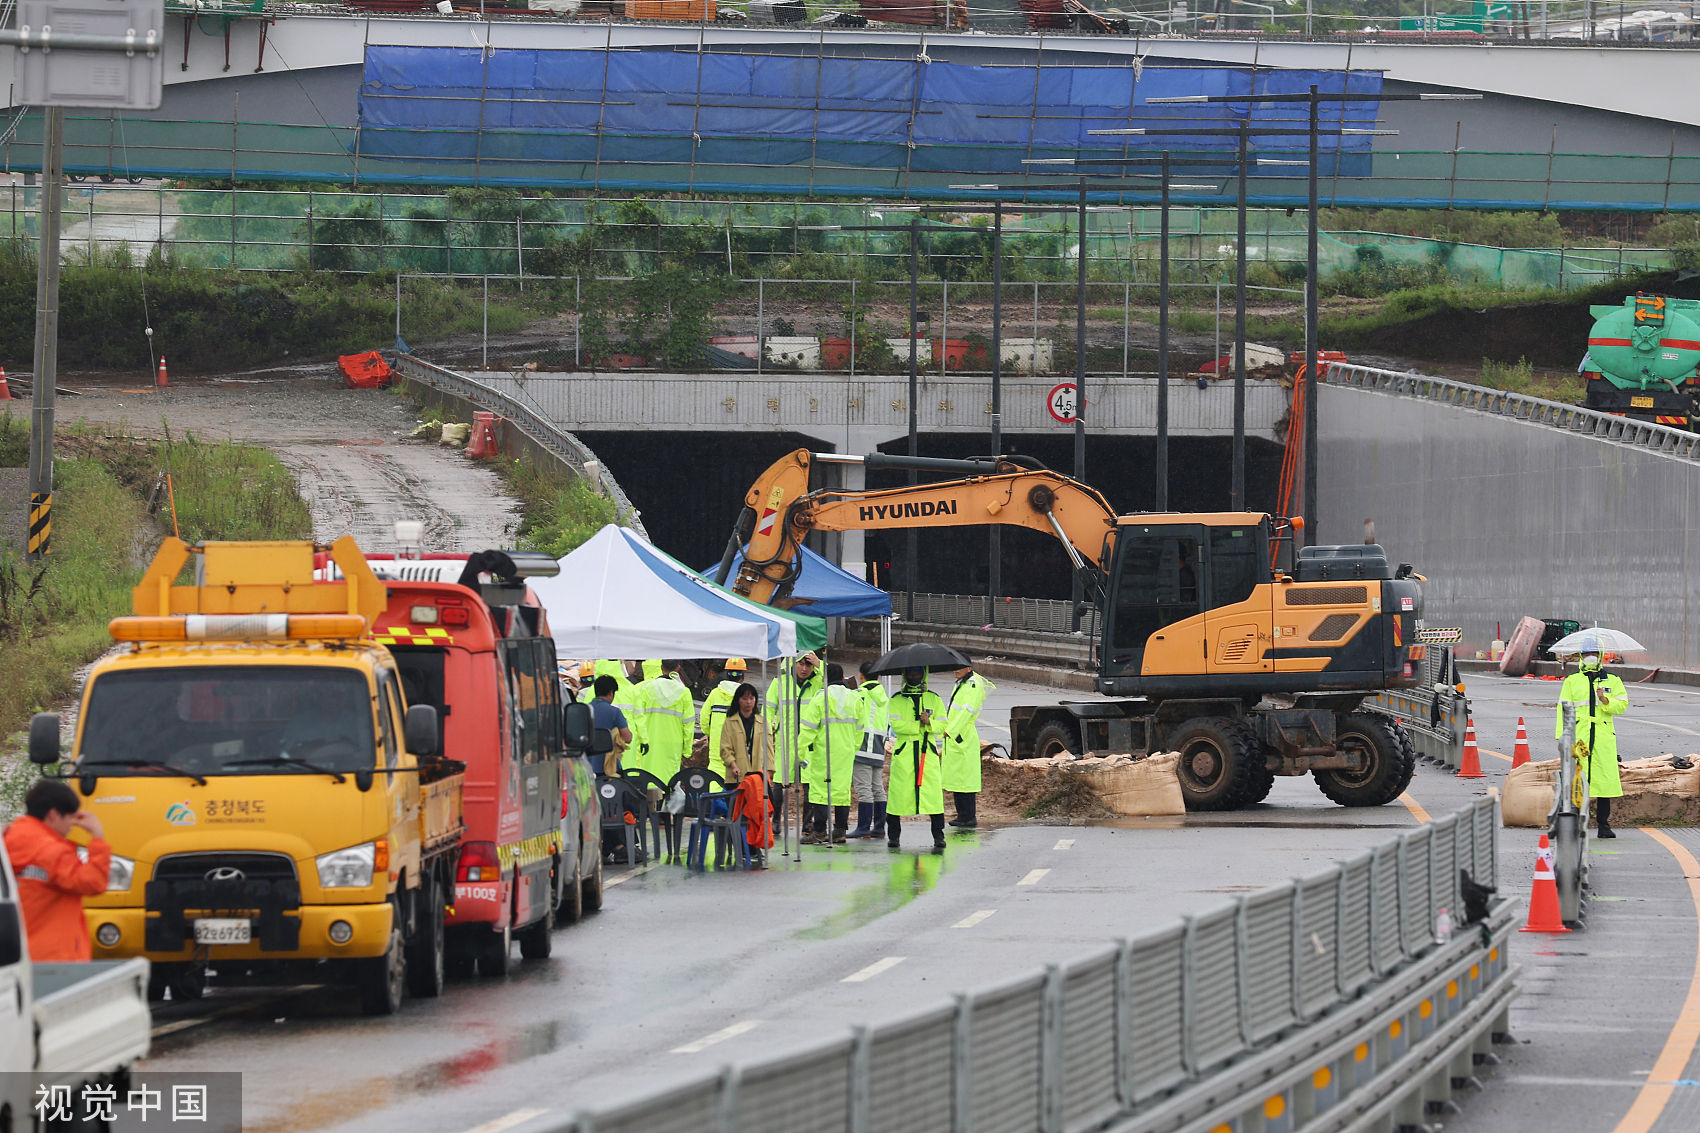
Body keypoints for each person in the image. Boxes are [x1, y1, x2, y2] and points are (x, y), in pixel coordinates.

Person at [4, 780, 110, 961]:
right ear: (53, 815)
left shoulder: (6, 841)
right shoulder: (53, 852)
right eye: (70, 818)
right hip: (53, 960)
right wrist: (98, 840)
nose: (72, 826)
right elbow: (93, 883)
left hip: (13, 957)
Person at [1556, 650, 1627, 838]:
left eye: (1594, 653)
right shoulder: (1572, 680)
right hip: (1581, 738)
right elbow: (1562, 709)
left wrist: (1605, 700)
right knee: (1579, 777)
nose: (1591, 657)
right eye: (1587, 653)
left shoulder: (1612, 680)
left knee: (1604, 781)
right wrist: (1562, 736)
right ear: (1581, 656)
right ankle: (1579, 823)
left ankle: (1604, 825)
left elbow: (1622, 705)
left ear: (1600, 655)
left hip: (1603, 738)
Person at [799, 663, 867, 844]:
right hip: (845, 752)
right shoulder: (855, 699)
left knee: (821, 791)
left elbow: (807, 729)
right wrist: (853, 748)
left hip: (823, 752)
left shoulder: (820, 699)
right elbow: (861, 729)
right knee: (842, 791)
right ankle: (840, 830)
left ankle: (820, 830)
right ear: (843, 676)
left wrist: (798, 753)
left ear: (825, 678)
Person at [887, 667, 947, 852]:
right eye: (911, 674)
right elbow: (895, 724)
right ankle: (894, 836)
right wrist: (917, 724)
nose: (914, 677)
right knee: (898, 795)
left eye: (918, 673)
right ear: (905, 675)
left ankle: (939, 836)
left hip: (926, 753)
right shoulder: (896, 699)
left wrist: (930, 722)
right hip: (905, 752)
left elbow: (944, 724)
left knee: (933, 796)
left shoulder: (933, 698)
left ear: (924, 674)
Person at [942, 660, 996, 829]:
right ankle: (962, 815)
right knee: (958, 778)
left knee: (965, 779)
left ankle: (968, 816)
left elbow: (966, 712)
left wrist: (951, 730)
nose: (955, 670)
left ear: (969, 668)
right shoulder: (963, 683)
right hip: (957, 736)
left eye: (959, 667)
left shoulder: (972, 685)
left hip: (962, 735)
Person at [633, 660, 693, 799]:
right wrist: (687, 750)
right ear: (678, 668)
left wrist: (641, 740)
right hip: (673, 744)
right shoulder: (684, 693)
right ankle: (665, 813)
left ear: (661, 668)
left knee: (649, 777)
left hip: (650, 741)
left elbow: (638, 718)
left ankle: (651, 809)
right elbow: (688, 724)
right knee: (670, 779)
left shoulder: (645, 689)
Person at [847, 661, 892, 839]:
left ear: (860, 675)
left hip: (862, 745)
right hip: (878, 747)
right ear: (878, 676)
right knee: (877, 787)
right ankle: (879, 828)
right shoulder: (884, 697)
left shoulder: (860, 694)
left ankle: (863, 827)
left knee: (863, 788)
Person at [766, 652, 821, 790]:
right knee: (780, 783)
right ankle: (777, 812)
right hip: (785, 742)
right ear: (794, 664)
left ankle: (808, 813)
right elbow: (767, 710)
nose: (804, 669)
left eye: (808, 665)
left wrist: (820, 665)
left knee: (810, 784)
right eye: (801, 664)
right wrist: (765, 733)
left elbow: (837, 680)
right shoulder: (780, 682)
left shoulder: (819, 682)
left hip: (810, 744)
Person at [697, 658, 747, 781]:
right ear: (742, 676)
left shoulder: (715, 694)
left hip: (716, 748)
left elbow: (704, 717)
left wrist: (710, 733)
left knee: (715, 782)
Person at [719, 682, 772, 784]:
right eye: (744, 699)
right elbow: (725, 748)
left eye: (751, 698)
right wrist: (733, 765)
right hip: (737, 776)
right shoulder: (730, 722)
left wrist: (768, 772)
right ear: (738, 700)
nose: (748, 702)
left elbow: (769, 749)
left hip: (758, 776)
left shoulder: (762, 722)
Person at [588, 675, 633, 776]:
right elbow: (628, 738)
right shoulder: (614, 712)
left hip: (588, 767)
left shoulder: (585, 709)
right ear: (611, 693)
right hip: (610, 768)